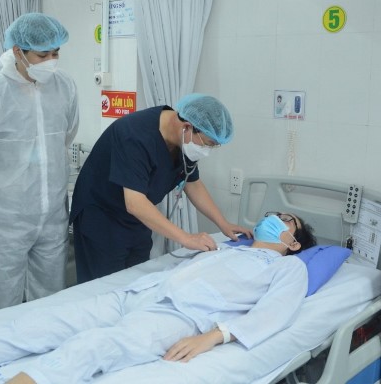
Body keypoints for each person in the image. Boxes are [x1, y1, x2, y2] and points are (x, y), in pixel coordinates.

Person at [0, 212, 316, 384]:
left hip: (180, 319)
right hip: (140, 293)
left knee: (93, 348)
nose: (274, 219)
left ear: (294, 242)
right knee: (38, 325)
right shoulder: (225, 245)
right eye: (272, 214)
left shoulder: (288, 267)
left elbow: (276, 314)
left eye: (286, 221)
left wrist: (215, 337)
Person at [70, 93, 250, 283]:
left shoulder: (184, 142)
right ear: (187, 127)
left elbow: (193, 183)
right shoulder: (134, 135)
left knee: (134, 281)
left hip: (136, 221)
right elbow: (135, 203)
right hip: (101, 218)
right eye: (208, 144)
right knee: (103, 288)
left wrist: (223, 224)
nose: (207, 151)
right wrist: (186, 238)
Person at [0, 13, 79, 312]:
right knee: (1, 297)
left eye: (56, 53)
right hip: (7, 217)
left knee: (50, 295)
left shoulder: (65, 86)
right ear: (18, 51)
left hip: (53, 212)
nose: (51, 61)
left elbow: (66, 135)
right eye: (43, 54)